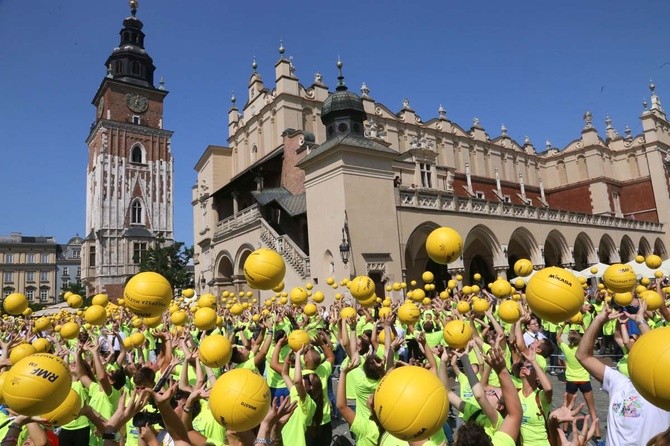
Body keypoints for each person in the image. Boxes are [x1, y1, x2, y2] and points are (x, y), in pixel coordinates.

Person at [576, 301, 670, 445]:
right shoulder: (619, 382)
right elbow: (583, 356)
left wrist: (640, 320)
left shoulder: (662, 392)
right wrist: (597, 321)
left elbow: (656, 350)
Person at [556, 323, 602, 444]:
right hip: (584, 379)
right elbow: (590, 336)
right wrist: (582, 324)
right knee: (592, 408)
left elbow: (558, 337)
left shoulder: (566, 348)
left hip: (571, 380)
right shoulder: (584, 349)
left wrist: (564, 325)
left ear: (569, 340)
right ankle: (597, 434)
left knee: (568, 408)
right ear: (580, 339)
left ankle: (565, 430)